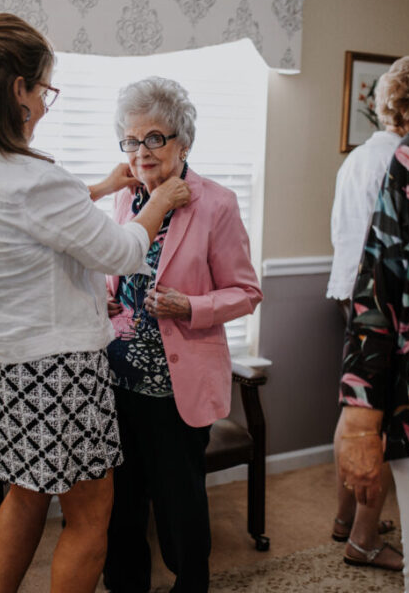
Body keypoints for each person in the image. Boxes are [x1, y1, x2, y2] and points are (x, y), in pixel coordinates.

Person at [0, 14, 191, 593]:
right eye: (44, 90)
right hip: (53, 374)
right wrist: (160, 200)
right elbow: (119, 251)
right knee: (90, 517)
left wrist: (96, 188)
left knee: (22, 492)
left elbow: (24, 219)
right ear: (17, 88)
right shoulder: (35, 178)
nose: (46, 104)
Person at [102, 76, 263, 593]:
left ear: (183, 142)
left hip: (177, 387)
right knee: (121, 504)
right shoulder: (126, 200)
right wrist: (107, 301)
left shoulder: (215, 203)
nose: (141, 151)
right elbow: (114, 272)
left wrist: (188, 305)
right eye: (131, 140)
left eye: (154, 137)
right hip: (117, 381)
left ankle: (190, 583)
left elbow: (245, 291)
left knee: (180, 504)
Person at [327, 56, 409, 571]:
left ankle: (347, 517)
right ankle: (363, 537)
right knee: (379, 421)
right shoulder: (405, 159)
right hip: (385, 305)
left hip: (348, 290)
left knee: (354, 411)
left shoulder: (358, 158)